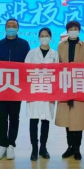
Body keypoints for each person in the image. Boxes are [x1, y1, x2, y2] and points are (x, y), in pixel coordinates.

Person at [55, 20, 84, 161]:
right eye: (71, 29)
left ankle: (77, 148)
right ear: (67, 31)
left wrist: (76, 67)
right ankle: (70, 147)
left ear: (79, 30)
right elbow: (57, 65)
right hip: (65, 86)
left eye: (75, 28)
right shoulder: (61, 46)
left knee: (78, 120)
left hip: (80, 87)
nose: (73, 31)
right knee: (68, 119)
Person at [0, 18, 30, 161]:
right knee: (1, 117)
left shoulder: (24, 44)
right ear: (5, 28)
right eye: (9, 26)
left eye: (13, 26)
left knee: (14, 117)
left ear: (18, 28)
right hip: (2, 86)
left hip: (16, 87)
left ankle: (11, 145)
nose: (11, 28)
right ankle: (2, 144)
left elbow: (27, 65)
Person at [25, 27, 59, 161]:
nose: (44, 38)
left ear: (50, 38)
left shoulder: (55, 54)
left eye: (46, 35)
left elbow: (58, 72)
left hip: (49, 90)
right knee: (34, 120)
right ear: (38, 38)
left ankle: (43, 148)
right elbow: (24, 70)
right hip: (34, 90)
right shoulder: (32, 53)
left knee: (46, 120)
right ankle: (34, 148)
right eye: (42, 35)